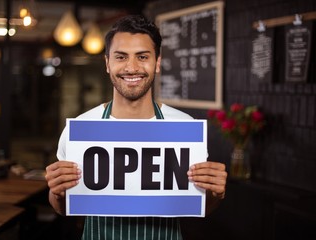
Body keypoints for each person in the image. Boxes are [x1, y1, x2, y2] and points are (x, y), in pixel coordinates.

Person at [45, 15, 227, 240]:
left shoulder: (184, 128)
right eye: (121, 57)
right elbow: (62, 207)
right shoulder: (81, 129)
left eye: (142, 56)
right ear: (107, 63)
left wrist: (215, 193)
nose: (131, 67)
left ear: (157, 63)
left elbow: (199, 207)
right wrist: (57, 191)